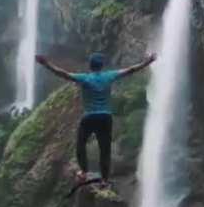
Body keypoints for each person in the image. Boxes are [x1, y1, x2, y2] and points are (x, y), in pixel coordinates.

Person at [36, 52, 157, 187]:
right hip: (105, 117)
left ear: (90, 66)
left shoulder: (85, 78)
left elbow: (63, 73)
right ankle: (104, 180)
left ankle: (84, 171)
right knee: (105, 150)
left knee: (80, 144)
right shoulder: (108, 76)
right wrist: (147, 62)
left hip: (90, 117)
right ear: (102, 66)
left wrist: (46, 64)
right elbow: (130, 70)